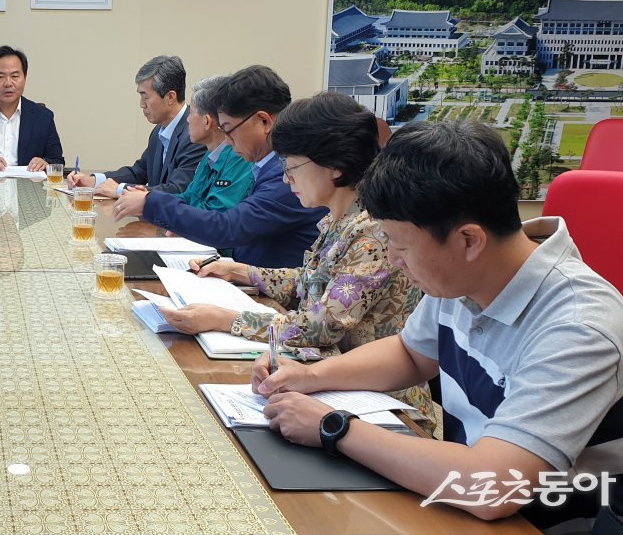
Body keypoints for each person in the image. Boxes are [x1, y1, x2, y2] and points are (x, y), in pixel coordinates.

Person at [252, 120, 623, 530]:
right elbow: (409, 353)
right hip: (466, 492)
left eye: (400, 246)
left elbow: (495, 486)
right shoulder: (466, 278)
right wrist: (310, 377)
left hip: (562, 521)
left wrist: (334, 427)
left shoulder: (578, 327)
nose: (394, 261)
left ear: (469, 240)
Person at [159, 93, 432, 422]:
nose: (287, 179)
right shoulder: (339, 218)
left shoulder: (373, 231)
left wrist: (224, 319)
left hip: (382, 405)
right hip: (328, 380)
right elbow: (311, 281)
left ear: (333, 167)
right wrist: (244, 272)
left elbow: (320, 326)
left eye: (292, 167)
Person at [115, 65, 324, 268]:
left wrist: (152, 203)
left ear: (264, 121)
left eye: (229, 130)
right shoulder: (266, 164)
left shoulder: (288, 173)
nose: (227, 141)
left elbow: (228, 227)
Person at [67, 55, 206, 197]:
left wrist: (119, 189)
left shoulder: (194, 134)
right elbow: (139, 172)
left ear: (170, 97)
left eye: (145, 97)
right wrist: (94, 181)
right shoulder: (159, 130)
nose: (142, 104)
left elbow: (177, 189)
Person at [139, 74, 253, 213]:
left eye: (191, 113)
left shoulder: (239, 157)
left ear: (207, 121)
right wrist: (148, 198)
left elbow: (215, 213)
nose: (187, 120)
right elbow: (188, 198)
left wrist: (149, 203)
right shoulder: (209, 154)